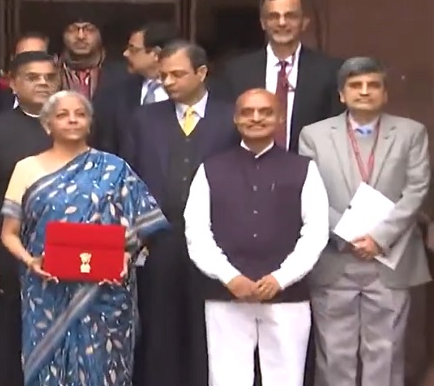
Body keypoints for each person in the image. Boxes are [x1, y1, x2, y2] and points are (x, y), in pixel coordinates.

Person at [0, 90, 168, 386]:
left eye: (79, 114)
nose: (72, 120)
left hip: (106, 292)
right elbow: (9, 234)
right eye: (62, 115)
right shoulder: (26, 168)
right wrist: (31, 261)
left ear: (90, 122)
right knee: (46, 366)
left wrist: (125, 256)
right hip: (46, 289)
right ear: (47, 124)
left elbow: (146, 224)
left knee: (104, 368)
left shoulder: (115, 168)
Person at [299, 57, 431, 386]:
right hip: (335, 256)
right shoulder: (313, 135)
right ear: (342, 95)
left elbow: (417, 189)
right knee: (334, 353)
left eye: (373, 86)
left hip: (389, 258)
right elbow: (309, 193)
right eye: (356, 86)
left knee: (385, 353)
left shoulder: (411, 132)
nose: (364, 92)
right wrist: (348, 236)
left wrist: (378, 237)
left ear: (385, 94)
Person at [184, 88, 329, 386]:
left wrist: (281, 278)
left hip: (287, 295)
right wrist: (229, 277)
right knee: (227, 378)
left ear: (278, 118)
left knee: (286, 378)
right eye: (248, 112)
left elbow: (315, 231)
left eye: (264, 112)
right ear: (236, 119)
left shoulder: (303, 169)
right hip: (226, 293)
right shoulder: (210, 169)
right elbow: (196, 231)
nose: (256, 118)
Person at [127, 40, 240, 386]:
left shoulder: (231, 116)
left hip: (217, 240)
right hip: (159, 240)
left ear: (202, 72)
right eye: (164, 76)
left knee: (209, 327)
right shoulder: (145, 119)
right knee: (160, 328)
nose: (169, 82)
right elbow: (130, 176)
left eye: (178, 74)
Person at [0, 51, 59, 386]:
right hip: (11, 253)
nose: (42, 83)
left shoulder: (75, 123)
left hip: (67, 250)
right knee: (9, 339)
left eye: (49, 77)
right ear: (13, 82)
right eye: (32, 77)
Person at [213, 0, 343, 152]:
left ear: (304, 22)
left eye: (290, 16)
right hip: (249, 168)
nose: (282, 23)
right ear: (263, 23)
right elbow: (225, 128)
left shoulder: (331, 72)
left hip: (309, 169)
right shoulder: (235, 72)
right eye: (273, 16)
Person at [91, 21, 180, 156]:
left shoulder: (192, 91)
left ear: (156, 54)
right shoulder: (115, 92)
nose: (126, 54)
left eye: (133, 49)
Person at [58, 15, 127, 100]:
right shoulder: (52, 70)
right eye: (72, 30)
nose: (81, 36)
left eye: (89, 29)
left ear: (100, 34)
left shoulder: (123, 73)